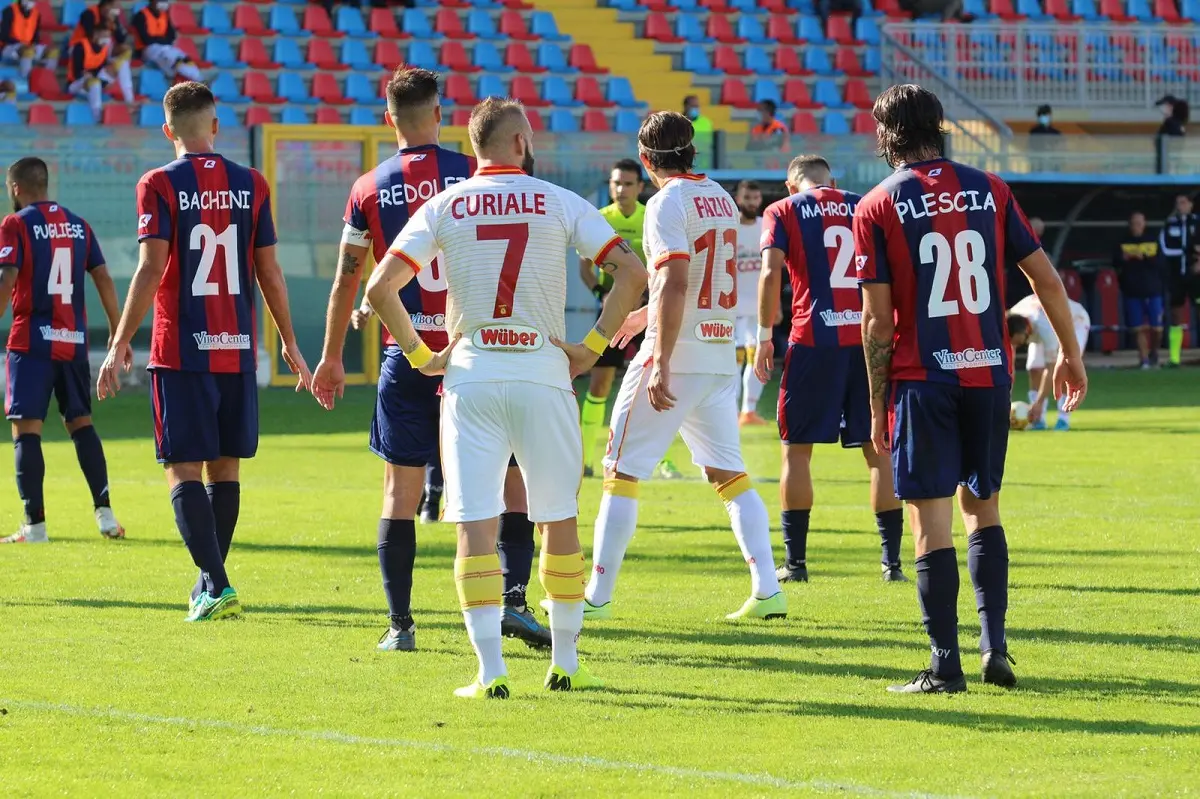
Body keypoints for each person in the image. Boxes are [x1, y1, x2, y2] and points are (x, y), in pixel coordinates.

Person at [366, 97, 647, 698]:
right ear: (520, 143)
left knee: (474, 522)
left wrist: (422, 355)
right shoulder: (559, 201)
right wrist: (593, 346)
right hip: (543, 372)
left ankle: (490, 671)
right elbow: (632, 272)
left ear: (473, 147)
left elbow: (380, 286)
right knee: (558, 520)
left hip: (471, 375)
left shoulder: (445, 203)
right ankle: (566, 661)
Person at [854, 84, 1087, 694]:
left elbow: (877, 321)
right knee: (983, 509)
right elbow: (1047, 281)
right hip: (988, 373)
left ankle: (943, 663)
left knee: (928, 520)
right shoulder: (990, 188)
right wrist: (1070, 354)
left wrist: (877, 403)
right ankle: (995, 647)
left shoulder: (876, 205)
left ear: (886, 136)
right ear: (939, 126)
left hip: (922, 378)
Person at [311, 67, 551, 652]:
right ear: (441, 112)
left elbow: (350, 280)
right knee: (512, 482)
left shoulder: (370, 186)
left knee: (399, 490)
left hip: (410, 354)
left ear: (387, 117)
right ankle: (513, 602)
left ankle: (401, 625)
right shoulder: (473, 171)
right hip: (481, 351)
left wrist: (331, 356)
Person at [96, 81, 311, 622]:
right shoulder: (252, 183)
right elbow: (270, 272)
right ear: (215, 127)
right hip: (236, 348)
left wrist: (119, 342)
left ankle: (215, 583)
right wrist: (289, 341)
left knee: (181, 470)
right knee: (225, 470)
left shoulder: (158, 184)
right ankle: (210, 583)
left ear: (168, 130)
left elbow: (151, 266)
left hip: (182, 350)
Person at [584, 111, 786, 623]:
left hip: (677, 353)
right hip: (719, 356)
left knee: (619, 471)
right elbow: (690, 279)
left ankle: (597, 599)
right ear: (692, 152)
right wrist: (640, 313)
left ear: (647, 159)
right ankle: (768, 590)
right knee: (729, 475)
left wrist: (660, 359)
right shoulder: (719, 195)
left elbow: (675, 281)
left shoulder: (665, 202)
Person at [754, 154, 907, 584]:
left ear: (790, 185)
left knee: (797, 451)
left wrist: (765, 334)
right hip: (867, 340)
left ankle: (797, 564)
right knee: (877, 448)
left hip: (812, 342)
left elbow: (770, 272)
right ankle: (891, 564)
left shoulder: (782, 210)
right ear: (833, 181)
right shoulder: (864, 203)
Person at [0, 157, 124, 544]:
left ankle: (35, 525)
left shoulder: (15, 224)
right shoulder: (79, 225)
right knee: (81, 423)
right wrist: (118, 331)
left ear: (17, 188)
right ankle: (105, 515)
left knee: (26, 430)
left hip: (31, 342)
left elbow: (7, 278)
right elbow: (102, 275)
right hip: (72, 342)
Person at [576, 159, 681, 480]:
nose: (620, 189)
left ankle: (662, 461)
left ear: (640, 187)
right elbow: (584, 268)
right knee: (599, 385)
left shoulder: (651, 215)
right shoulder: (600, 220)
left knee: (662, 384)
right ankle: (583, 458)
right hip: (611, 313)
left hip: (651, 312)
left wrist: (647, 301)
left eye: (627, 184)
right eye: (616, 183)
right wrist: (602, 295)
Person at [1008, 294, 1090, 431]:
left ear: (1025, 331)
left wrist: (1039, 402)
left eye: (1018, 341)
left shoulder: (1045, 327)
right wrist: (1006, 397)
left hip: (1074, 323)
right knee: (1034, 368)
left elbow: (1051, 367)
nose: (1018, 345)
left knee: (1066, 368)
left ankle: (1063, 418)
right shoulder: (1012, 316)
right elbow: (1010, 360)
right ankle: (1038, 419)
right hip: (1042, 325)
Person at [732, 179, 767, 425]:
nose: (752, 203)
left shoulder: (766, 226)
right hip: (731, 307)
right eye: (748, 198)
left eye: (756, 198)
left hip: (759, 306)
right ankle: (730, 410)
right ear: (738, 199)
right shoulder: (729, 228)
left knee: (757, 357)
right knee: (733, 360)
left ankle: (749, 410)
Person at [1114, 211, 1163, 369]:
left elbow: (1161, 263)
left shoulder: (1153, 240)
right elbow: (1115, 262)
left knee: (1157, 328)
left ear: (1144, 224)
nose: (1137, 226)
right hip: (1132, 290)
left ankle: (1154, 352)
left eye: (1140, 223)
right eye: (1134, 223)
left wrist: (1145, 258)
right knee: (1137, 328)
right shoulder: (1123, 242)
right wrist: (1124, 259)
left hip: (1153, 289)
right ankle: (1144, 360)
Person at [1159, 193, 1199, 366]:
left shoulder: (1197, 223)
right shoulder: (1170, 224)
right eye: (1178, 203)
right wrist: (1190, 252)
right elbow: (1165, 248)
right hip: (1176, 276)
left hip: (1196, 276)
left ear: (1190, 205)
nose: (1180, 206)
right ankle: (1174, 358)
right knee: (1176, 315)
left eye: (1183, 202)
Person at [67, 24, 134, 123]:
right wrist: (99, 80)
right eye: (104, 36)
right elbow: (78, 72)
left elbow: (100, 69)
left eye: (108, 36)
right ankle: (97, 116)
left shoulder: (104, 48)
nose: (107, 39)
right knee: (95, 82)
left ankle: (129, 100)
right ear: (95, 35)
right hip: (76, 84)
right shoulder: (80, 46)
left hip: (95, 80)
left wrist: (106, 78)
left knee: (121, 64)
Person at [131, 0, 202, 82]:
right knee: (169, 56)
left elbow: (171, 37)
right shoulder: (141, 15)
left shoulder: (164, 15)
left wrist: (158, 39)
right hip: (146, 50)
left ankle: (199, 79)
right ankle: (195, 79)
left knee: (182, 56)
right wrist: (162, 39)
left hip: (164, 47)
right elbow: (147, 40)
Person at [0, 0, 56, 78]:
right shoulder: (9, 11)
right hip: (9, 47)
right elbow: (4, 36)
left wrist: (34, 46)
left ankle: (46, 80)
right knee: (27, 51)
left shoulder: (36, 14)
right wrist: (23, 45)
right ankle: (26, 80)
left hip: (28, 46)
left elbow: (35, 38)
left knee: (52, 52)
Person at [682, 94, 713, 171]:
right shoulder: (678, 122)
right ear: (686, 106)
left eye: (697, 106)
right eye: (693, 106)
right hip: (685, 162)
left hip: (704, 162)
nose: (696, 108)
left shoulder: (706, 122)